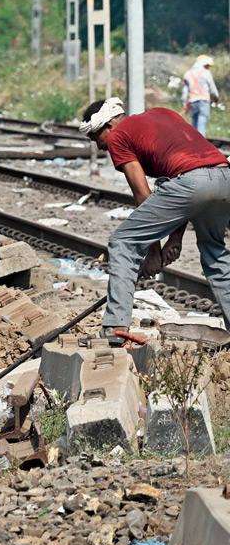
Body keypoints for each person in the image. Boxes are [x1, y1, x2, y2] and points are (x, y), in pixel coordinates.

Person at [79, 97, 230, 341]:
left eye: (96, 139)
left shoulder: (118, 136)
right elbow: (175, 180)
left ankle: (115, 328)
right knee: (215, 254)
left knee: (122, 242)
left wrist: (153, 253)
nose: (99, 147)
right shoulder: (161, 114)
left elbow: (142, 196)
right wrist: (174, 239)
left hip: (192, 184)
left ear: (107, 126)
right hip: (224, 177)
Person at [181, 55, 219, 137]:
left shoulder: (188, 73)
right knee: (201, 123)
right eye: (207, 65)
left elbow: (184, 92)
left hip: (192, 102)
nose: (208, 67)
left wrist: (184, 103)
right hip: (204, 102)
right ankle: (202, 147)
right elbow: (213, 89)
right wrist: (216, 98)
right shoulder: (206, 73)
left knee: (194, 124)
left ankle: (195, 145)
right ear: (204, 64)